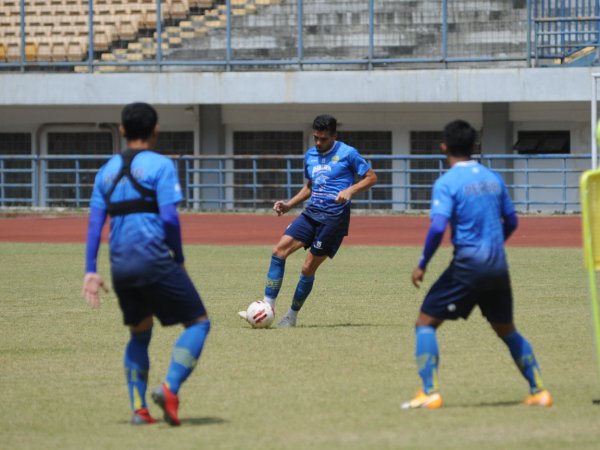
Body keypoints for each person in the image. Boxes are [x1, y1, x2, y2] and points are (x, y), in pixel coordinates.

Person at [402, 119, 553, 409]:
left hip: (468, 265)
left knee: (425, 323)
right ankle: (539, 390)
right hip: (498, 266)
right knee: (506, 329)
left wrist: (422, 263)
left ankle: (429, 392)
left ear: (444, 147)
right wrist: (494, 245)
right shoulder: (492, 178)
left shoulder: (447, 183)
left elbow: (437, 228)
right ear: (474, 146)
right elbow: (512, 221)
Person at [81, 102, 210, 426]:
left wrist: (91, 270)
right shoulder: (161, 166)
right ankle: (170, 387)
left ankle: (139, 410)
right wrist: (178, 259)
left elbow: (95, 225)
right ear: (156, 130)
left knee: (139, 334)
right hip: (154, 259)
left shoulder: (105, 171)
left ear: (122, 131)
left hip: (120, 266)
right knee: (198, 323)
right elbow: (169, 219)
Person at [240, 114, 377, 327]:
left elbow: (371, 177)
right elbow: (310, 186)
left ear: (334, 135)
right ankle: (268, 307)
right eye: (316, 138)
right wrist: (289, 204)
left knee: (307, 269)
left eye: (323, 139)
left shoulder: (348, 153)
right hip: (311, 213)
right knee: (279, 251)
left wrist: (350, 190)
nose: (319, 143)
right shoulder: (311, 155)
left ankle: (291, 317)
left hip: (334, 219)